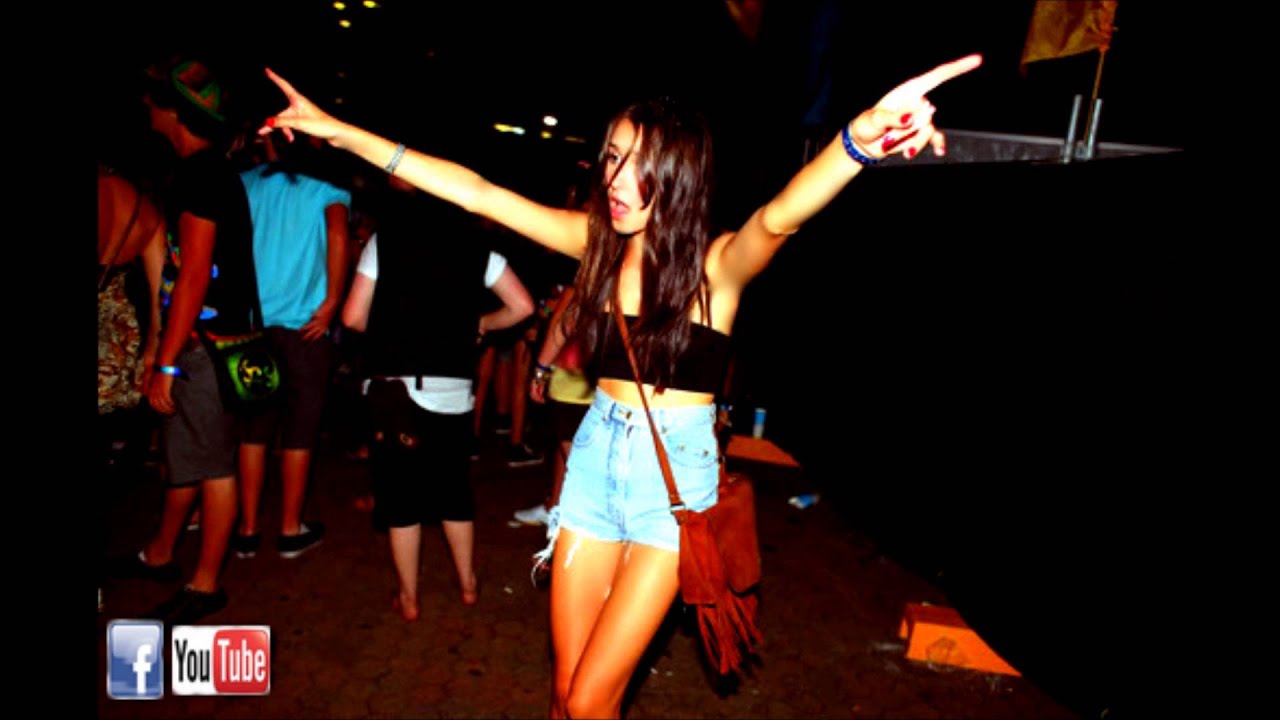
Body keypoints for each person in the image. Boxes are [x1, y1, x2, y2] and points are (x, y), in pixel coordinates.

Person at [260, 53, 982, 718]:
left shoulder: (718, 266)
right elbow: (477, 191)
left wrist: (857, 139)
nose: (616, 180)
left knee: (589, 702)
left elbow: (780, 214)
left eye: (638, 164)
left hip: (673, 489)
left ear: (678, 174)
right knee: (565, 696)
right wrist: (339, 132)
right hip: (592, 468)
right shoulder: (595, 246)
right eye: (612, 158)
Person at [341, 172, 535, 621]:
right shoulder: (477, 246)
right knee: (453, 491)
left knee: (400, 499)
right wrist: (481, 324)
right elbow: (523, 306)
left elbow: (351, 317)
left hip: (396, 390)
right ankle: (467, 585)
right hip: (453, 390)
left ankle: (409, 598)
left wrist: (392, 331)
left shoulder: (384, 242)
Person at [127, 56, 259, 624]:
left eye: (154, 99)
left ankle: (207, 585)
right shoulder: (203, 171)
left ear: (175, 113)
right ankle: (160, 553)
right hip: (200, 341)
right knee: (187, 457)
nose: (145, 106)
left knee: (214, 466)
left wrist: (166, 362)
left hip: (205, 344)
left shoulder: (203, 176)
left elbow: (194, 275)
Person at [233, 133, 350, 559]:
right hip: (306, 328)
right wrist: (332, 301)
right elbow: (338, 235)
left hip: (253, 326)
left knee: (253, 428)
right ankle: (288, 527)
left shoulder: (245, 183)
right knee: (301, 428)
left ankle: (247, 528)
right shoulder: (327, 189)